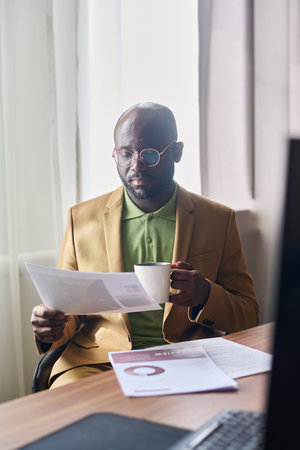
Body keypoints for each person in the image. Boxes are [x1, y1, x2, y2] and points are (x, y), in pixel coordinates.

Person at [31, 102, 259, 388]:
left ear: (177, 152)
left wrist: (204, 294)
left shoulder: (218, 219)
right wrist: (48, 329)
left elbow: (248, 313)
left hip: (190, 358)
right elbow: (68, 312)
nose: (135, 166)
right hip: (99, 363)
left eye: (149, 154)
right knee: (71, 419)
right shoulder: (81, 219)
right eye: (125, 154)